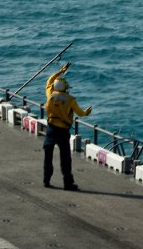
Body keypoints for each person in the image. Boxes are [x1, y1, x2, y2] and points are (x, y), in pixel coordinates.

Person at [43, 61, 92, 191]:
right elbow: (81, 113)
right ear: (65, 87)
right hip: (63, 131)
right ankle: (68, 184)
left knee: (48, 157)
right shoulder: (70, 100)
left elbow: (49, 80)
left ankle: (46, 180)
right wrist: (87, 112)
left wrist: (61, 71)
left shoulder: (50, 94)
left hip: (51, 129)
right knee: (65, 159)